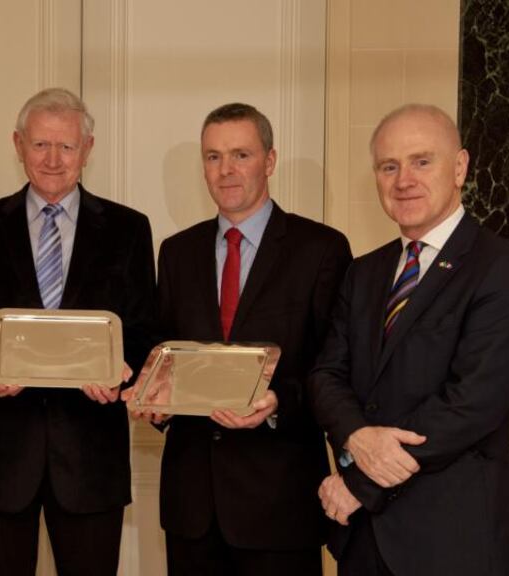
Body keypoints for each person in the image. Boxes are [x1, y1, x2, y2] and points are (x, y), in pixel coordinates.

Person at [309, 104, 509, 576]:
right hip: (365, 542)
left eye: (421, 161)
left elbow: (470, 404)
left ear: (459, 167)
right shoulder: (364, 272)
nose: (403, 180)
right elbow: (326, 374)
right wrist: (356, 434)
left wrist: (359, 482)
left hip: (452, 541)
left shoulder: (504, 269)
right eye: (388, 166)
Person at [126, 102, 352, 575]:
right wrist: (156, 402)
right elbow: (164, 355)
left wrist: (278, 404)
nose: (225, 170)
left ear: (269, 161)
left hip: (279, 504)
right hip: (193, 505)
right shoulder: (176, 253)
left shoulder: (321, 250)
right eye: (213, 157)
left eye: (241, 155)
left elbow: (335, 367)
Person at [0, 87, 156, 576]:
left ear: (88, 149)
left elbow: (145, 329)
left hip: (91, 460)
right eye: (41, 145)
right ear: (18, 145)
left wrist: (122, 373)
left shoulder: (129, 229)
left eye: (66, 146)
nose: (54, 159)